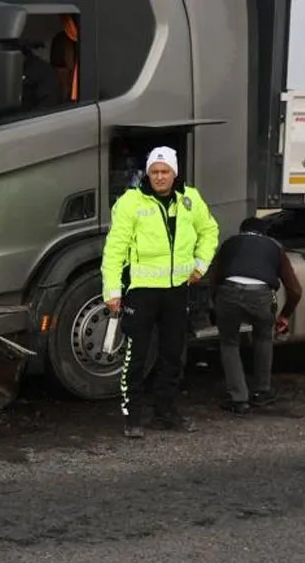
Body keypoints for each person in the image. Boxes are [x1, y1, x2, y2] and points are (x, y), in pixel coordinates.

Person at [101, 146, 220, 437]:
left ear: (175, 173)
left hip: (177, 290)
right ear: (148, 173)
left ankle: (165, 413)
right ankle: (132, 418)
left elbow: (210, 231)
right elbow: (114, 249)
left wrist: (200, 266)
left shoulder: (191, 199)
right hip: (141, 291)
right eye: (154, 171)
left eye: (165, 171)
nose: (159, 177)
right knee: (136, 355)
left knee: (173, 354)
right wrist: (113, 290)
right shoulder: (131, 202)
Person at [203, 216, 304, 414]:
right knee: (264, 339)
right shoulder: (274, 246)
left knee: (229, 343)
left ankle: (238, 398)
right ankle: (262, 392)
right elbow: (295, 290)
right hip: (261, 296)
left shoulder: (230, 244)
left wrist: (217, 303)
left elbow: (214, 277)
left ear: (242, 231)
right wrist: (285, 315)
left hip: (228, 292)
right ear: (264, 234)